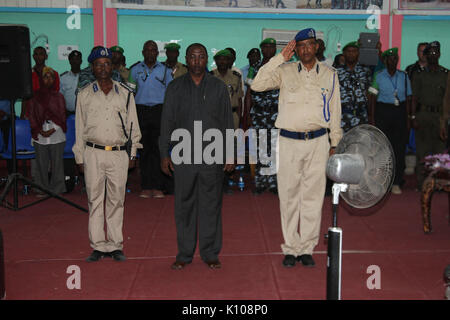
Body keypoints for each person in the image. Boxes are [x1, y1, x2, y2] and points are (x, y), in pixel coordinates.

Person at [251, 28, 342, 268]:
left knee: (312, 198)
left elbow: (335, 113)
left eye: (310, 45)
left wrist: (335, 144)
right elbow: (257, 85)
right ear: (296, 49)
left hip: (318, 142)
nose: (305, 50)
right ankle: (291, 248)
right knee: (289, 196)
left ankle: (307, 248)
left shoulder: (330, 75)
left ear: (317, 47)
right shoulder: (285, 71)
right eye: (300, 46)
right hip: (289, 141)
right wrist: (280, 58)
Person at [160, 43, 235, 270]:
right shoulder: (174, 87)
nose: (196, 61)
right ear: (186, 59)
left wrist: (230, 153)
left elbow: (227, 123)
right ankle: (184, 253)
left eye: (201, 57)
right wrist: (165, 153)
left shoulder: (219, 87)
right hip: (183, 155)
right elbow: (167, 123)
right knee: (184, 206)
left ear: (206, 60)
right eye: (192, 57)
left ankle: (210, 252)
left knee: (211, 205)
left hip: (212, 155)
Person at [73, 47, 142, 262]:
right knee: (95, 200)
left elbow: (133, 126)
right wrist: (80, 157)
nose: (103, 68)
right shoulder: (84, 94)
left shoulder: (125, 93)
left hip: (118, 154)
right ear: (92, 68)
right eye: (98, 64)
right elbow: (79, 128)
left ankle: (114, 244)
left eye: (107, 63)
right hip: (93, 152)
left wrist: (133, 154)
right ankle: (98, 245)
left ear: (112, 67)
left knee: (116, 200)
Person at [130, 40, 173, 199]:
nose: (150, 52)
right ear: (143, 52)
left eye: (153, 50)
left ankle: (158, 187)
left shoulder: (165, 71)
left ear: (157, 53)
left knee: (158, 149)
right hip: (140, 111)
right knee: (144, 149)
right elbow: (129, 94)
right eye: (147, 50)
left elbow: (171, 94)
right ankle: (146, 186)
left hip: (159, 111)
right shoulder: (134, 70)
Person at [368, 48, 412, 195]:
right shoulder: (378, 76)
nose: (393, 61)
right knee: (382, 148)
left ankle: (397, 181)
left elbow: (409, 98)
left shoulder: (404, 76)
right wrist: (372, 119)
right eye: (390, 59)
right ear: (385, 61)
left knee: (399, 148)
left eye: (395, 59)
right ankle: (382, 181)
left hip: (399, 112)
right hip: (383, 112)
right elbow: (372, 98)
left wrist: (409, 119)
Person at [410, 41, 448, 190]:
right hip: (423, 115)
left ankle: (438, 182)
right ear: (426, 55)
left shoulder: (446, 74)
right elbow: (414, 98)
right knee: (423, 152)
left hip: (440, 117)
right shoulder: (419, 75)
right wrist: (412, 117)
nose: (433, 55)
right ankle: (423, 183)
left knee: (439, 152)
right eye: (430, 53)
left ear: (439, 54)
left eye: (435, 52)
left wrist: (445, 120)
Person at [244, 38, 279, 195]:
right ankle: (260, 181)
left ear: (275, 49)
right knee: (259, 148)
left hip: (276, 113)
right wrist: (247, 114)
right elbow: (249, 93)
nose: (269, 49)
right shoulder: (254, 68)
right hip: (258, 112)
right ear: (262, 49)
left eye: (272, 47)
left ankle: (273, 182)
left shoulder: (282, 67)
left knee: (275, 148)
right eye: (265, 47)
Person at [26, 67, 67, 197]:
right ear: (41, 79)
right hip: (39, 135)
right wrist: (40, 130)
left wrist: (52, 129)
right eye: (45, 77)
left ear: (55, 80)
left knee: (57, 164)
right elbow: (31, 115)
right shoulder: (34, 96)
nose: (48, 79)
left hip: (56, 134)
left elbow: (62, 115)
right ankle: (41, 189)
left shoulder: (59, 96)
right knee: (41, 164)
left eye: (51, 77)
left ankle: (57, 189)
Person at [338, 41, 372, 133]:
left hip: (361, 116)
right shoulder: (336, 72)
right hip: (343, 117)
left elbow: (370, 94)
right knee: (343, 145)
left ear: (358, 53)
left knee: (361, 144)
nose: (351, 54)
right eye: (348, 51)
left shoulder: (365, 71)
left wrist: (370, 114)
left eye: (354, 51)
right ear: (344, 54)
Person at [21, 46, 60, 119]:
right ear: (33, 56)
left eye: (41, 54)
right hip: (31, 115)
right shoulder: (27, 74)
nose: (38, 57)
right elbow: (25, 98)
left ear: (46, 56)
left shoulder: (54, 74)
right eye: (36, 54)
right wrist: (22, 115)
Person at [211, 49, 243, 130]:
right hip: (214, 116)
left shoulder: (236, 76)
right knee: (215, 141)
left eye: (225, 59)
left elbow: (239, 99)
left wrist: (238, 118)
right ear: (215, 61)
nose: (222, 62)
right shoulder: (209, 76)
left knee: (231, 142)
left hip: (232, 116)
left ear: (229, 61)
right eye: (219, 59)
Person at [60, 50, 82, 116]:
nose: (75, 62)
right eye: (73, 59)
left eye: (77, 59)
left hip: (83, 114)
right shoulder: (63, 78)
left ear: (81, 61)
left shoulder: (86, 77)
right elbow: (60, 97)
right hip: (68, 114)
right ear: (69, 61)